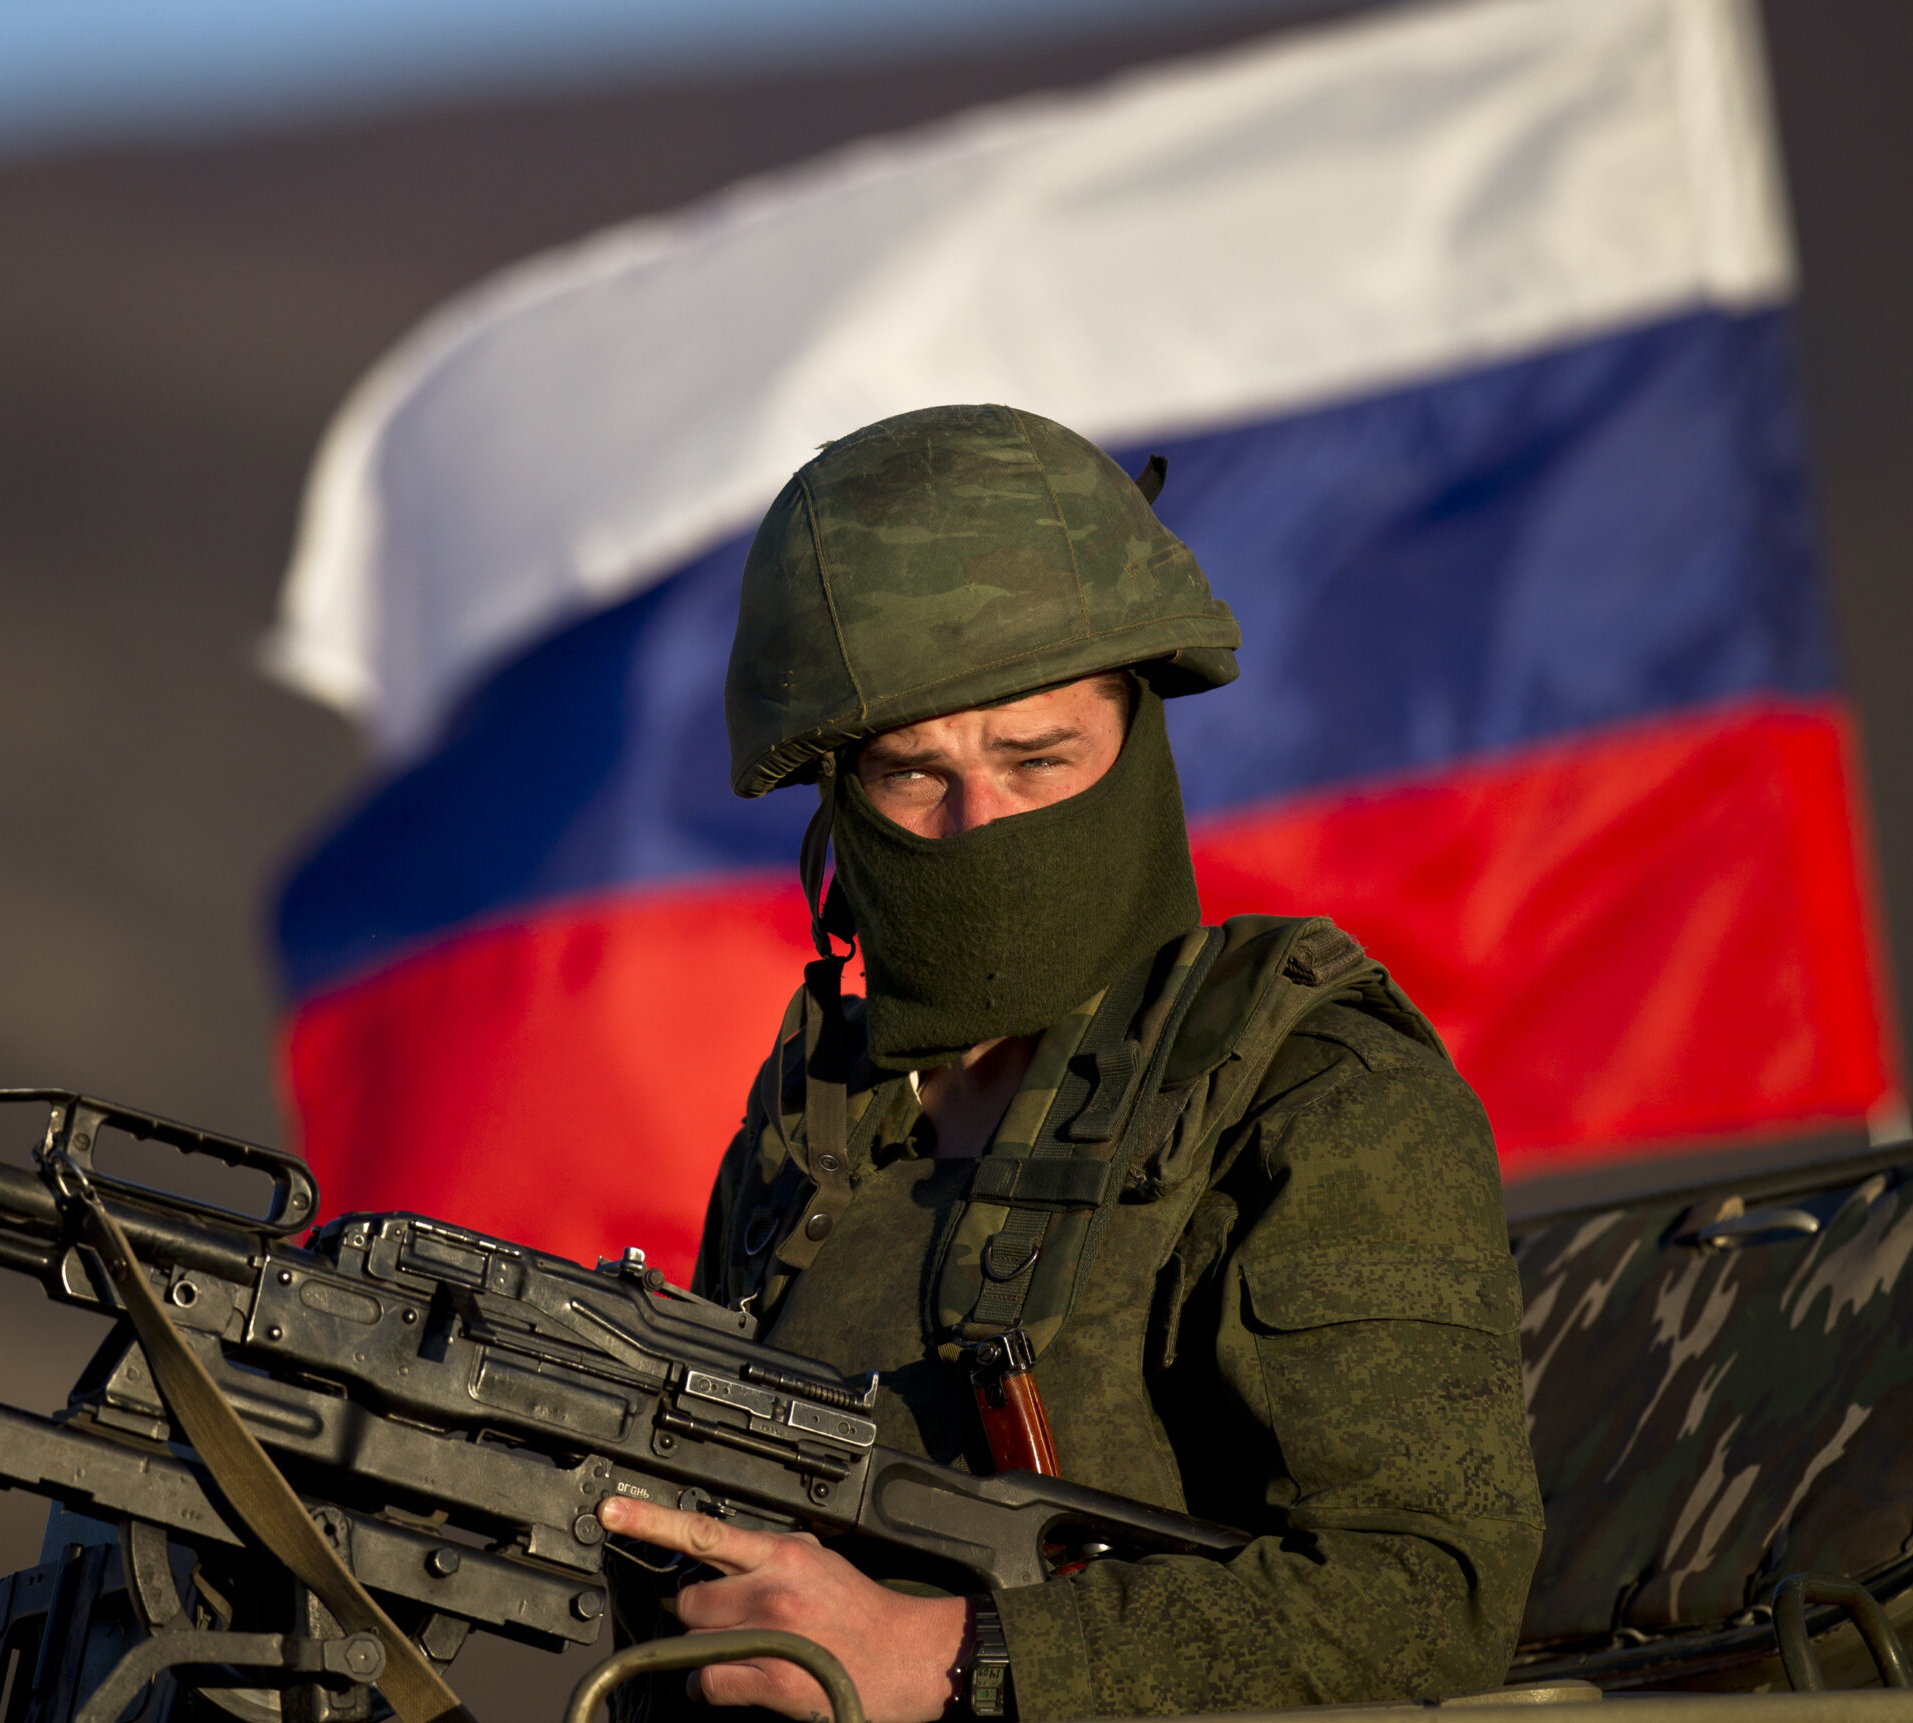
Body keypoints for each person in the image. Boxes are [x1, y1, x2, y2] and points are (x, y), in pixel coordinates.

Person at [599, 404, 1540, 1721]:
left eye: (1040, 760)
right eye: (911, 778)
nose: (980, 824)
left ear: (1139, 742)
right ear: (836, 808)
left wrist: (945, 1657)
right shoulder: (819, 1131)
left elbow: (1429, 1603)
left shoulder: (1313, 1094)